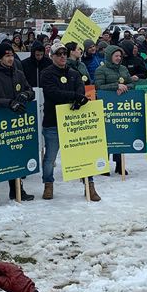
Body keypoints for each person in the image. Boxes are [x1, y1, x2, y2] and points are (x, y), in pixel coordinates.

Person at [39, 42, 99, 201]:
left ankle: (89, 185)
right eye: (59, 54)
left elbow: (80, 89)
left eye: (64, 53)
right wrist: (74, 96)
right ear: (52, 56)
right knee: (50, 157)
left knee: (83, 154)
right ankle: (48, 184)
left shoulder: (74, 73)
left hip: (74, 121)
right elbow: (52, 93)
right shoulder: (47, 73)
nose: (63, 56)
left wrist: (79, 100)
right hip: (53, 121)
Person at [0, 42, 35, 207]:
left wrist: (25, 95)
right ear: (0, 58)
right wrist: (9, 103)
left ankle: (17, 189)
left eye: (12, 55)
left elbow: (30, 90)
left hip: (18, 122)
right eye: (7, 56)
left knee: (16, 154)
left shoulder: (19, 74)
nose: (10, 59)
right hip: (1, 123)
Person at [94, 45, 135, 177]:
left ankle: (119, 164)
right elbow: (99, 86)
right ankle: (104, 165)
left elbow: (131, 83)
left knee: (120, 134)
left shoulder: (123, 69)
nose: (118, 58)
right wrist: (115, 86)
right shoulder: (101, 70)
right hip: (106, 108)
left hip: (121, 108)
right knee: (107, 135)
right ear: (109, 56)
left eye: (120, 56)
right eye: (116, 56)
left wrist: (124, 87)